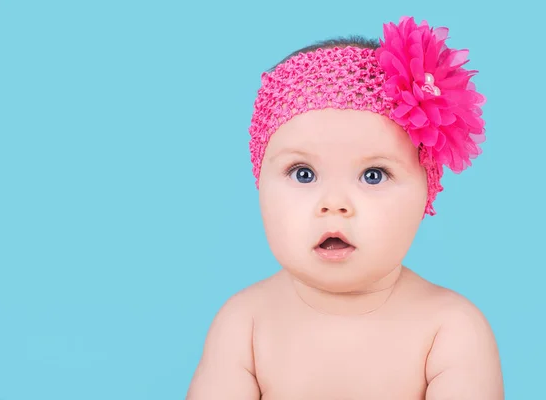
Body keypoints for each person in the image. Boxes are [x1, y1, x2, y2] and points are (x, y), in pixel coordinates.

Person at [186, 16, 504, 399]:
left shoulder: (448, 329)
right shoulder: (245, 325)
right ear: (260, 186)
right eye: (303, 174)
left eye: (373, 175)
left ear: (427, 193)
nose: (334, 205)